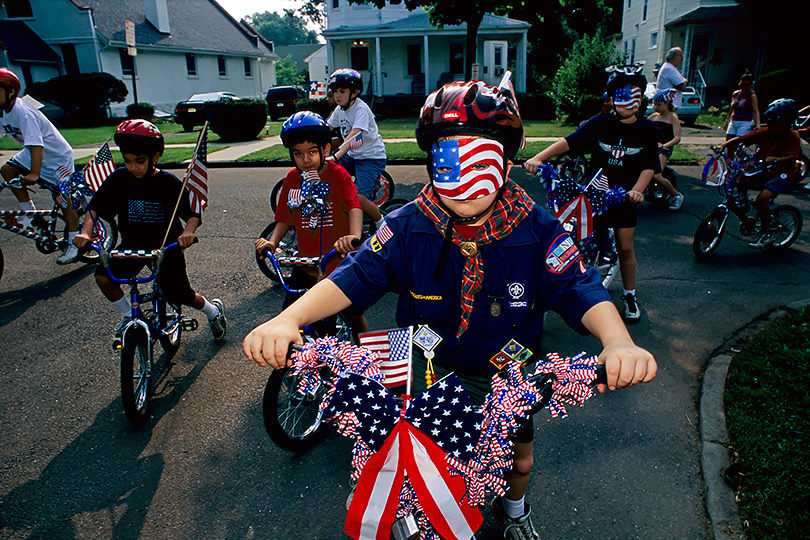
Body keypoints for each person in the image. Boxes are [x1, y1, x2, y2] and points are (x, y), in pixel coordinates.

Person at [244, 80, 658, 540]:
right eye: (447, 159)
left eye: (479, 158)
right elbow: (353, 277)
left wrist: (618, 341)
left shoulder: (537, 228)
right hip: (425, 360)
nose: (463, 180)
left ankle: (515, 510)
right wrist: (288, 318)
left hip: (507, 368)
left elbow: (580, 289)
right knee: (405, 464)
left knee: (519, 461)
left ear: (503, 158)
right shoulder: (408, 226)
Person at [73, 120, 226, 347]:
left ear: (155, 157)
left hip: (165, 247)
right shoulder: (119, 178)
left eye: (140, 161)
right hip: (132, 245)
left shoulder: (167, 182)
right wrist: (86, 233)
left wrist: (187, 232)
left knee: (179, 294)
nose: (133, 166)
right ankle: (128, 316)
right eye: (127, 161)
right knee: (104, 277)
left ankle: (213, 311)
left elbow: (193, 214)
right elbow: (95, 207)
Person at [525, 66, 660, 321]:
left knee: (625, 246)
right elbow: (569, 142)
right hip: (592, 195)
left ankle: (629, 294)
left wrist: (637, 191)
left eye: (636, 94)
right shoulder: (601, 123)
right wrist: (539, 157)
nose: (631, 100)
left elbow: (649, 166)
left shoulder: (646, 129)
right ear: (612, 99)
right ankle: (559, 288)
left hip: (623, 197)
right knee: (569, 240)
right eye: (623, 94)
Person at [255, 111, 368, 337]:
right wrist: (272, 241)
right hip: (305, 264)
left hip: (337, 264)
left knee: (354, 313)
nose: (305, 160)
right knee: (290, 316)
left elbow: (354, 207)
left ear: (326, 150)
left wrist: (353, 238)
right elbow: (284, 218)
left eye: (312, 152)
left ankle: (372, 357)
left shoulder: (338, 175)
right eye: (298, 154)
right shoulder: (292, 179)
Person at [0, 67, 81, 264]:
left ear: (10, 92)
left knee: (63, 197)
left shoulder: (23, 112)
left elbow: (36, 144)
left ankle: (73, 242)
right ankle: (32, 214)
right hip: (32, 154)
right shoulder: (2, 112)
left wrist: (34, 173)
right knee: (7, 170)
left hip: (56, 158)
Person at [715, 98, 802, 248]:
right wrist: (723, 145)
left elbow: (793, 156)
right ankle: (743, 201)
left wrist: (777, 159)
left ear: (787, 122)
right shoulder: (765, 132)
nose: (771, 126)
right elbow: (741, 139)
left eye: (776, 123)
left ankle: (767, 233)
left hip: (783, 173)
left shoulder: (792, 137)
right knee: (740, 177)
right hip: (765, 169)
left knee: (762, 199)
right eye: (770, 122)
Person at [325, 68, 386, 228]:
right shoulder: (340, 109)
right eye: (335, 91)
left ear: (355, 92)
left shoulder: (361, 109)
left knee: (359, 198)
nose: (337, 95)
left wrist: (336, 156)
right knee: (327, 171)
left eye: (342, 91)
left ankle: (382, 224)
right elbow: (327, 128)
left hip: (371, 158)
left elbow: (354, 135)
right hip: (354, 155)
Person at [647, 88, 684, 210]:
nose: (656, 107)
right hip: (652, 147)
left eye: (659, 104)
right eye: (655, 104)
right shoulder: (653, 117)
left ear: (667, 103)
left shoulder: (672, 117)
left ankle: (677, 195)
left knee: (657, 176)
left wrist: (665, 145)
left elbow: (677, 138)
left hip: (664, 149)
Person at [722, 73, 760, 140]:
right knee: (729, 139)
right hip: (734, 121)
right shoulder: (736, 94)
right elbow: (732, 109)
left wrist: (757, 124)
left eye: (746, 85)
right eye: (742, 85)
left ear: (751, 85)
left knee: (737, 140)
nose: (744, 87)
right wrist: (727, 121)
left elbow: (755, 111)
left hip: (745, 122)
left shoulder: (752, 96)